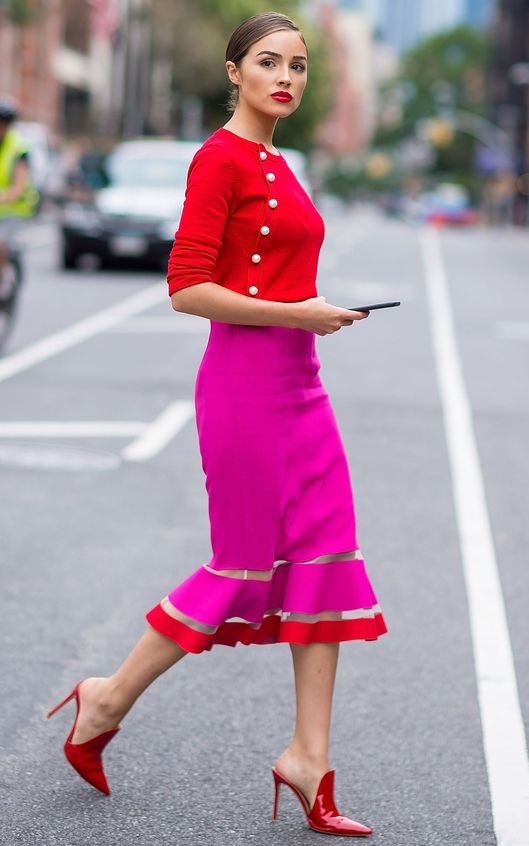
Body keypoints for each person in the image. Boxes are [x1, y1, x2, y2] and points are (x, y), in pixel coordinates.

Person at [48, 12, 387, 837]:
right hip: (242, 389)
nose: (287, 77)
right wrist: (298, 312)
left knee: (327, 556)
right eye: (268, 62)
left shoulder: (278, 160)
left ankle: (309, 757)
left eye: (299, 66)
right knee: (240, 570)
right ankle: (107, 696)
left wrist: (308, 319)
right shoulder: (219, 159)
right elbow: (185, 287)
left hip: (301, 388)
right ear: (233, 71)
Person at [0, 97, 38, 292]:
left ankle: (3, 282)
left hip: (15, 209)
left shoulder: (19, 147)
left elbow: (18, 186)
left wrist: (6, 196)